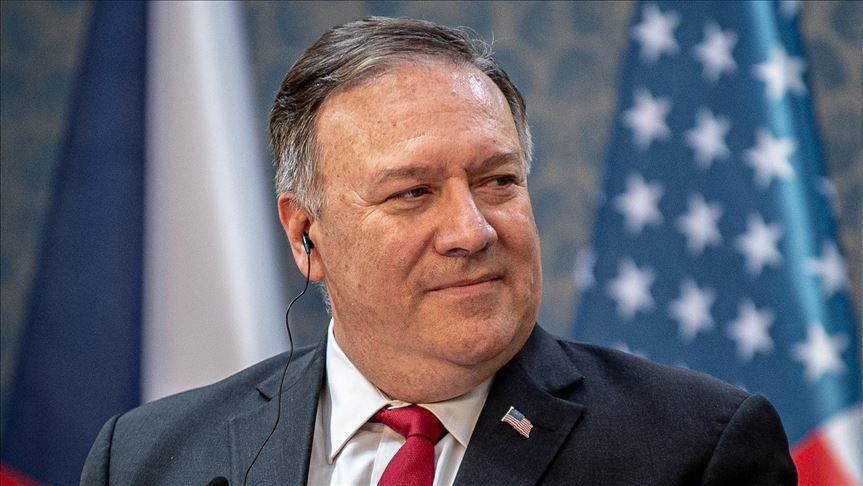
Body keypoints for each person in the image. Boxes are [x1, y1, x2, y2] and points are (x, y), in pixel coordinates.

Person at [82, 17, 796, 485]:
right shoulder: (149, 459)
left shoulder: (694, 451)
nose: (472, 231)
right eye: (413, 192)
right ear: (306, 235)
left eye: (497, 181)